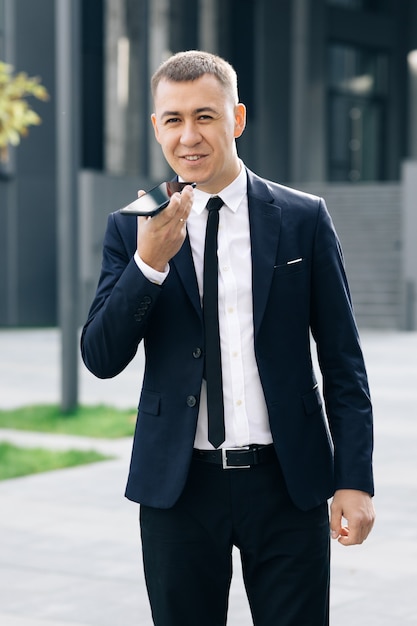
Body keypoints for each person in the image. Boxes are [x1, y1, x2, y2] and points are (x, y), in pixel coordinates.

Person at [81, 50, 375, 626]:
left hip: (288, 485)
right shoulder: (133, 223)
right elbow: (100, 356)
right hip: (178, 488)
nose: (188, 136)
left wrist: (355, 481)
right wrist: (148, 264)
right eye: (173, 120)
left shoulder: (302, 217)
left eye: (205, 117)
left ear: (236, 119)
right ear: (156, 127)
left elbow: (343, 360)